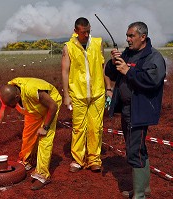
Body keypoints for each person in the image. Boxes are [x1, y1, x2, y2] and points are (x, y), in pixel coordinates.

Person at [105, 22, 166, 198]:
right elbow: (112, 73)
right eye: (127, 36)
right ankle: (143, 189)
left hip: (139, 110)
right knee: (138, 148)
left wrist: (128, 71)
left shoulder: (153, 57)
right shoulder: (128, 54)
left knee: (134, 151)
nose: (128, 39)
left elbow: (151, 81)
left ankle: (139, 196)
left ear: (143, 37)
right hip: (127, 109)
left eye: (131, 36)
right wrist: (114, 62)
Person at [0, 77, 62, 190]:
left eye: (12, 105)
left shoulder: (33, 91)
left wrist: (45, 127)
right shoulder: (10, 94)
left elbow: (53, 106)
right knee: (28, 136)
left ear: (17, 97)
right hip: (33, 109)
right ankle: (27, 160)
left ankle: (42, 175)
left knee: (44, 139)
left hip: (50, 106)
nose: (10, 108)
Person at [61, 17, 112, 173]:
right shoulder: (68, 47)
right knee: (78, 128)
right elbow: (65, 71)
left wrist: (108, 87)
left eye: (88, 31)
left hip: (97, 93)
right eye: (83, 32)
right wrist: (66, 95)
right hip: (78, 94)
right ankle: (78, 160)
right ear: (76, 31)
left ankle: (94, 160)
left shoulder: (98, 43)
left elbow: (103, 67)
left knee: (96, 127)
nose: (86, 34)